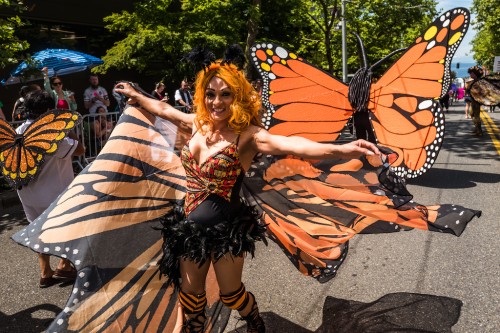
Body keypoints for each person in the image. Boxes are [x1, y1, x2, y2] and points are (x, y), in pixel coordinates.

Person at [114, 58, 380, 333]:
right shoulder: (197, 124)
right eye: (211, 94)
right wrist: (136, 95)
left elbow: (294, 145)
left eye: (225, 94)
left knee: (230, 294)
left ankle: (254, 320)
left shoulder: (248, 137)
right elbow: (164, 109)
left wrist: (344, 150)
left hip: (227, 229)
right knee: (192, 300)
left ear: (237, 98)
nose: (217, 102)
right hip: (188, 229)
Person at [15, 90, 85, 288]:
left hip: (28, 194)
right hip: (54, 194)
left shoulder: (19, 131)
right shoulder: (53, 134)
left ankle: (45, 272)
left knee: (38, 230)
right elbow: (80, 150)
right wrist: (67, 125)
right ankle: (64, 265)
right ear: (49, 110)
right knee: (68, 228)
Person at [467, 66, 484, 137]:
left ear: (474, 74)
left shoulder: (478, 82)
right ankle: (477, 128)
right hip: (473, 100)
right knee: (472, 114)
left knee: (476, 116)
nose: (470, 75)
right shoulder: (473, 81)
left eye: (471, 73)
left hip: (476, 101)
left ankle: (479, 130)